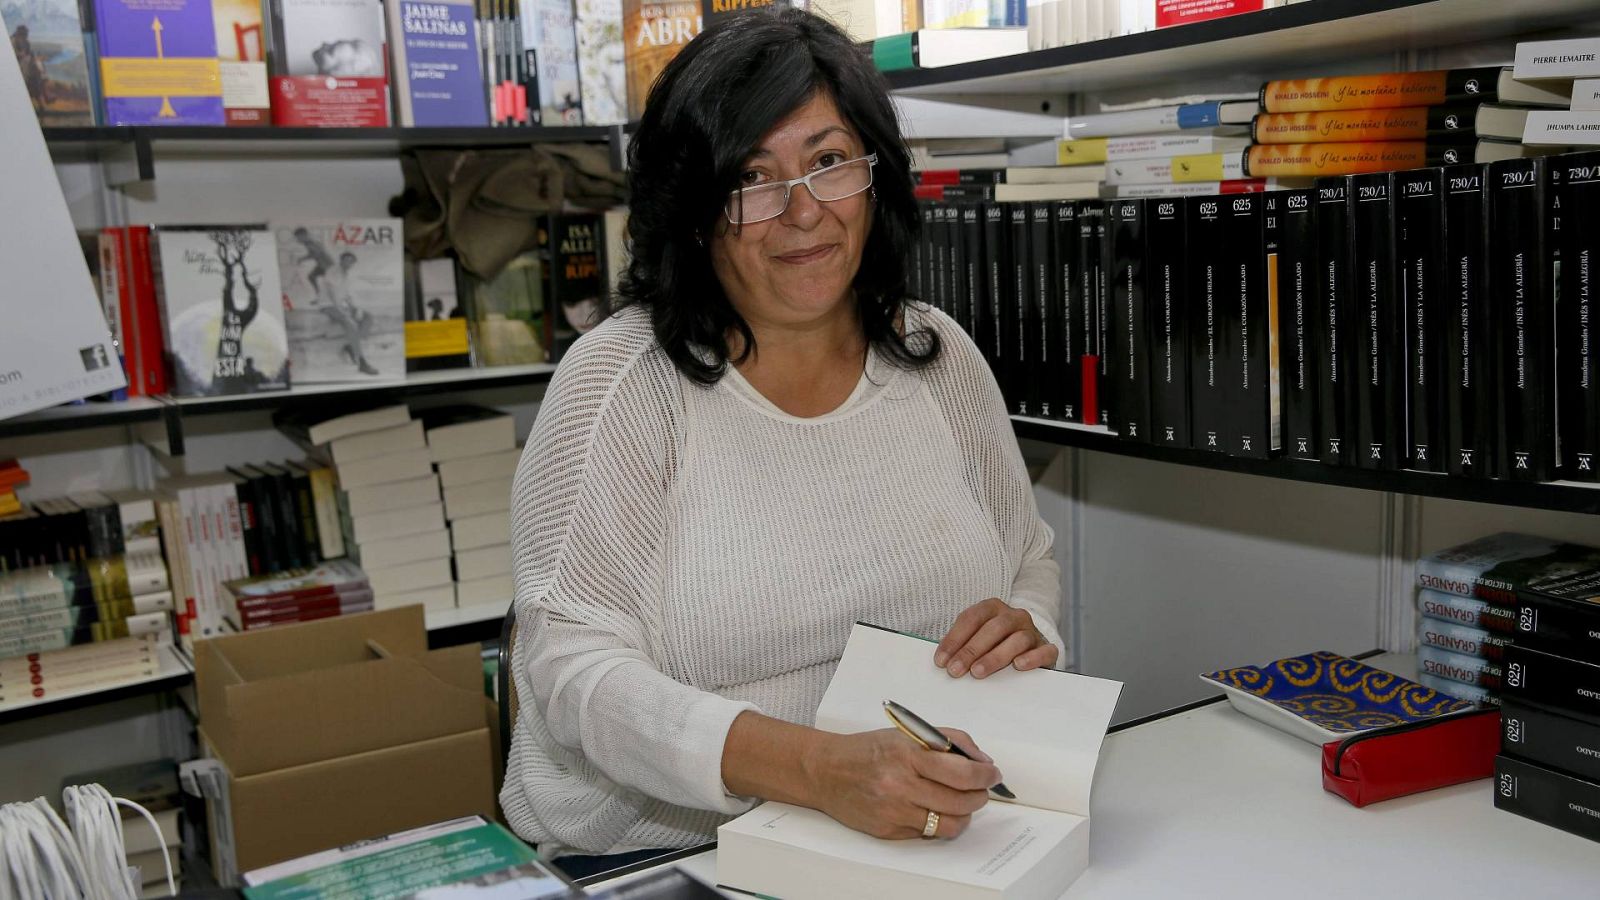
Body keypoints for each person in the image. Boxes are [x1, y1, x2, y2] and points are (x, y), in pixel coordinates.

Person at [502, 7, 1063, 879]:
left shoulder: (939, 353)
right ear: (693, 213)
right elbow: (570, 669)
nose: (802, 213)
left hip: (934, 838)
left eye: (829, 162)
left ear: (873, 179)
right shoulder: (620, 384)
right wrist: (815, 770)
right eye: (752, 179)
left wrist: (1029, 626)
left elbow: (1028, 556)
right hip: (673, 856)